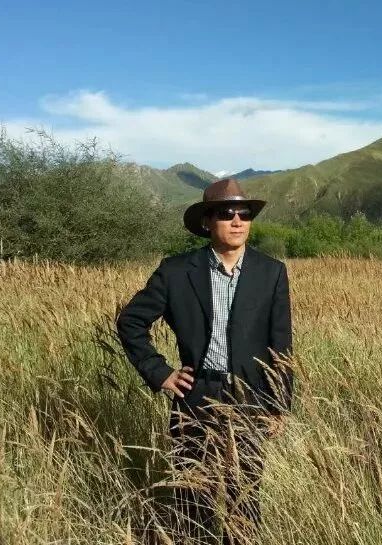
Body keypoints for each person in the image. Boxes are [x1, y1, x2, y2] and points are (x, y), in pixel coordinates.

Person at [115, 177, 294, 544]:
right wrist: (160, 373)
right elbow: (131, 321)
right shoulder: (176, 271)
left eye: (244, 213)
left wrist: (279, 404)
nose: (237, 221)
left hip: (249, 399)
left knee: (243, 503)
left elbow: (281, 344)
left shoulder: (271, 272)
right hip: (195, 399)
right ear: (207, 222)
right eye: (227, 213)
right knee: (191, 502)